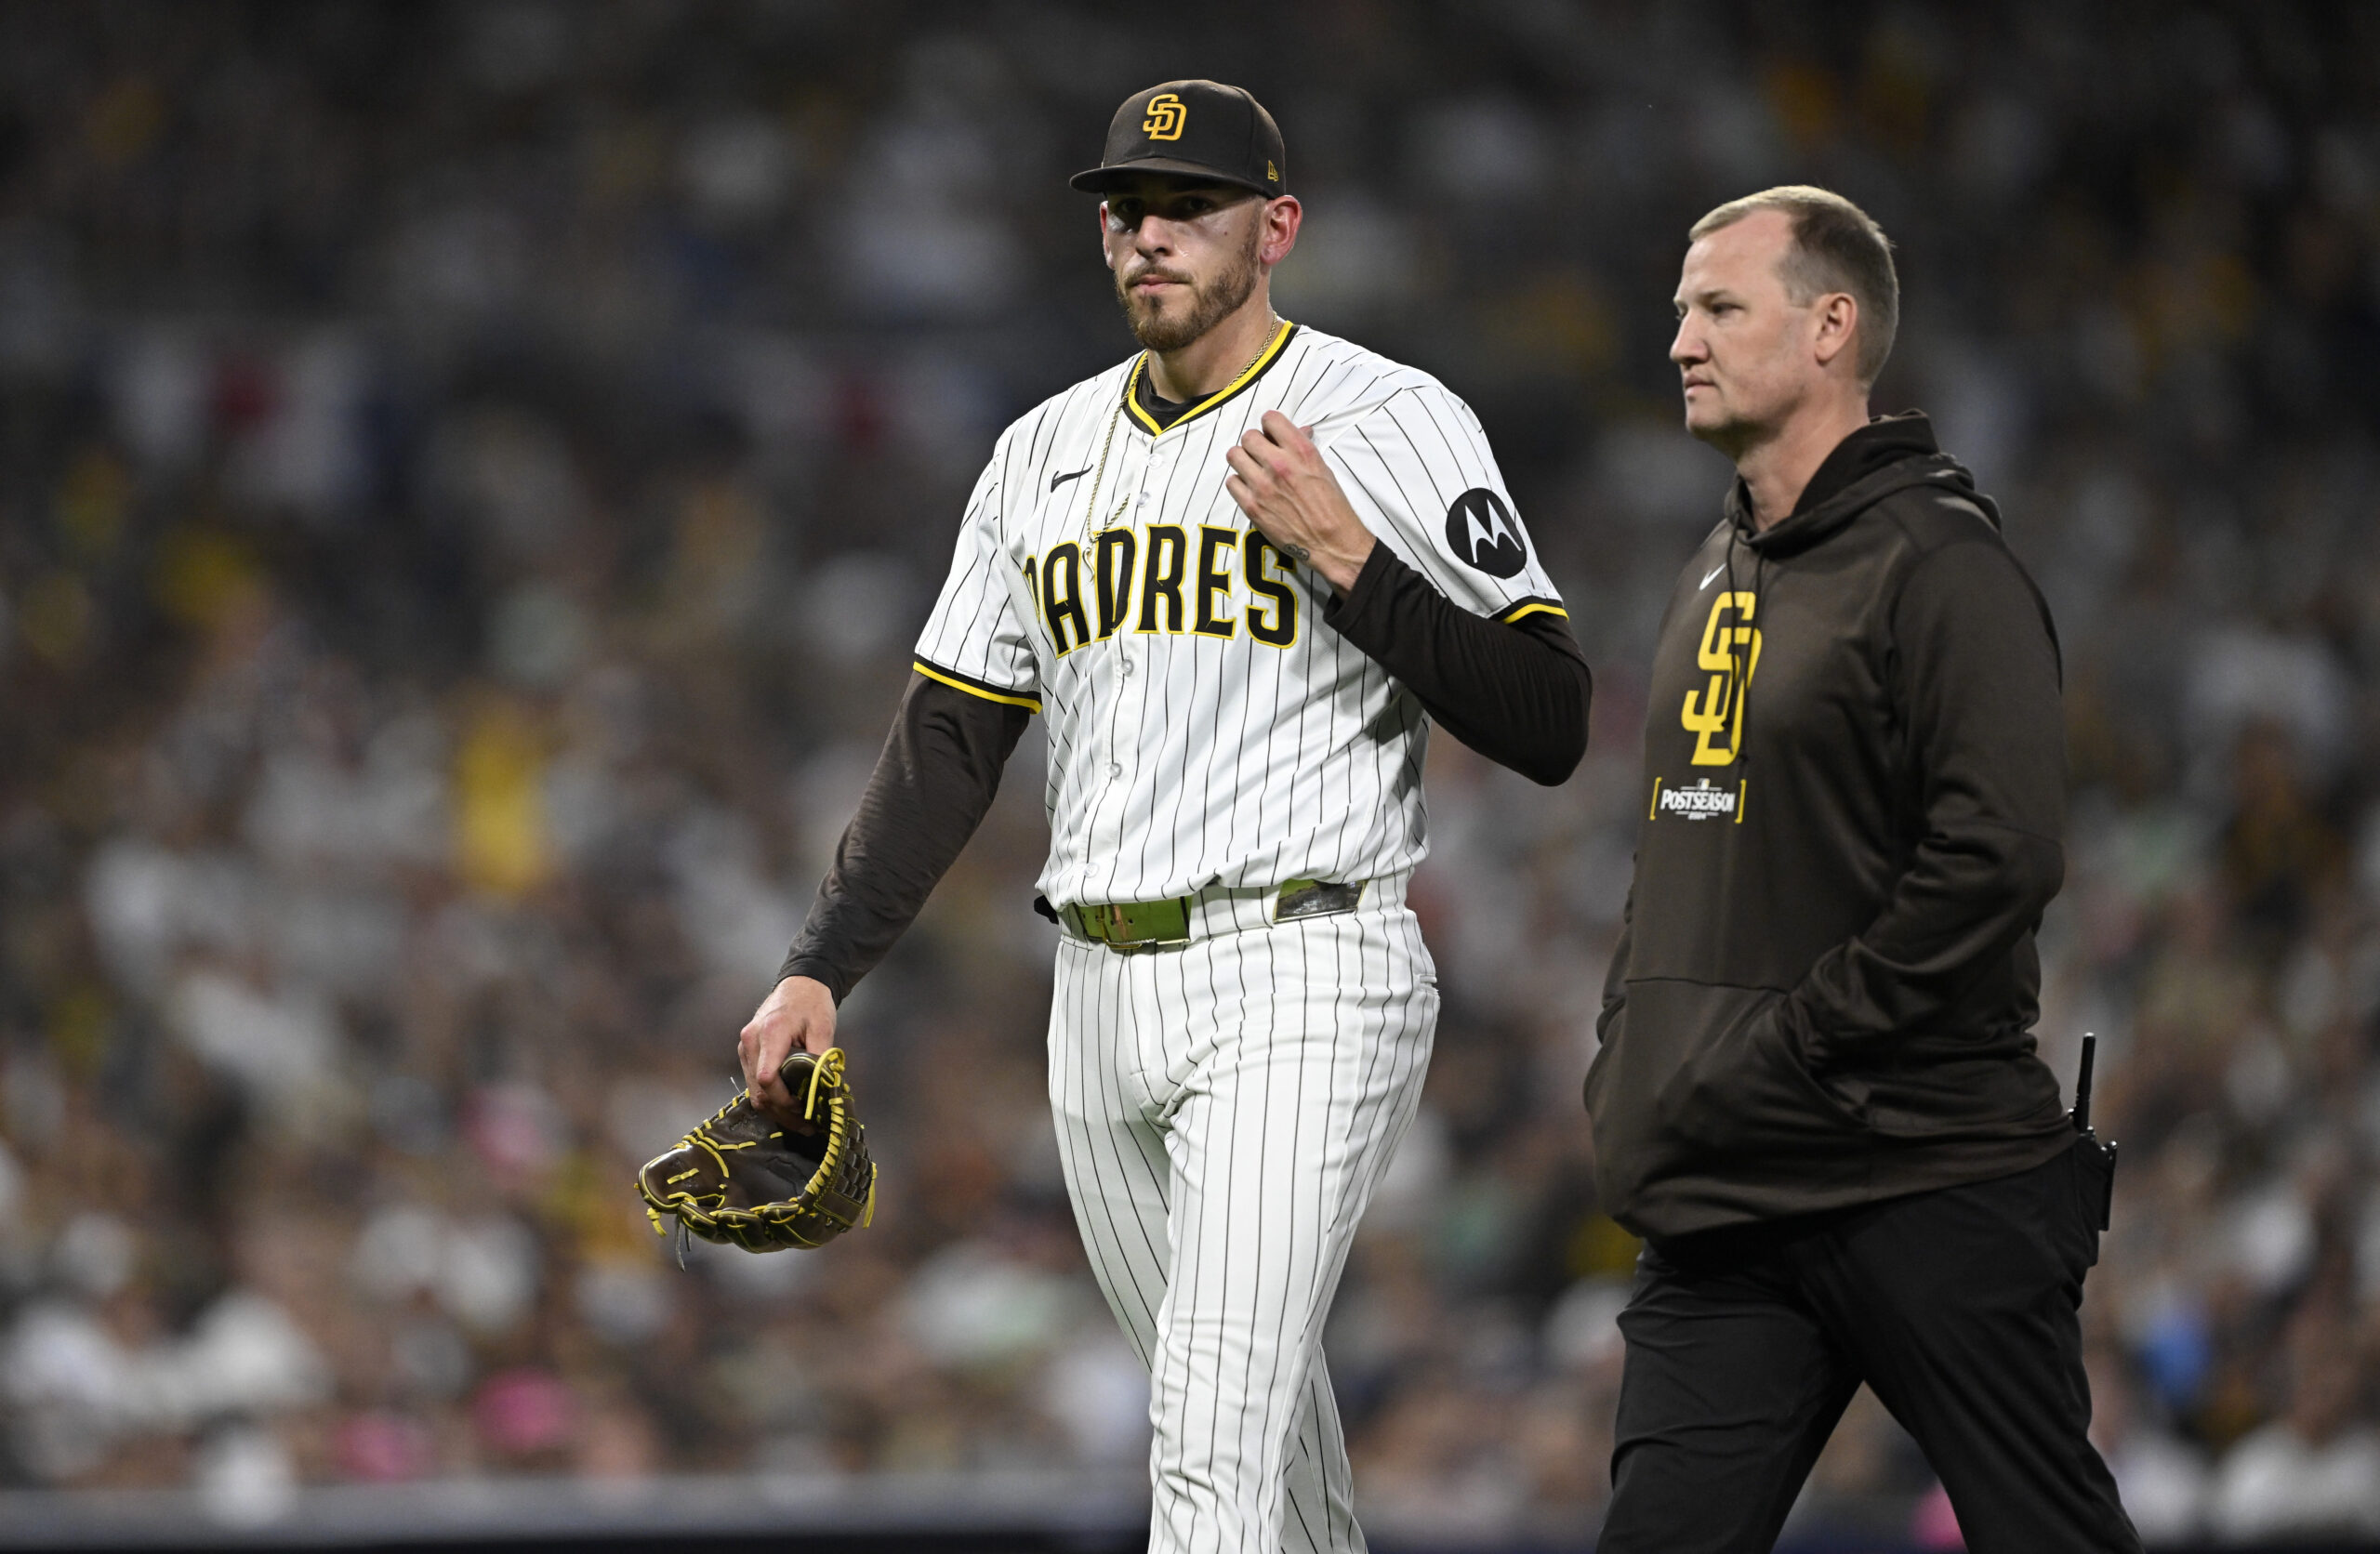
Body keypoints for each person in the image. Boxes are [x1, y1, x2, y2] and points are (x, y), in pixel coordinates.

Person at [740, 80, 1591, 1552]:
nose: (1148, 236)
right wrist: (823, 962)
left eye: (1188, 207)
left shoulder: (1385, 418)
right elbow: (952, 737)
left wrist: (1353, 562)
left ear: (1276, 228)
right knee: (1266, 1438)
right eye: (1126, 209)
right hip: (1098, 997)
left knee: (1203, 1435)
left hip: (1303, 966)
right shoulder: (1040, 454)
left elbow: (1550, 716)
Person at [1582, 186, 2138, 1553]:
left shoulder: (1944, 564)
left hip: (1926, 1170)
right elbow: (1676, 847)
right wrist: (1637, 1049)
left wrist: (1794, 1046)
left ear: (1832, 327)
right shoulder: (1713, 565)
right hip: (1728, 1207)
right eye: (1678, 313)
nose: (1681, 342)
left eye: (1719, 308)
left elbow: (2000, 857)